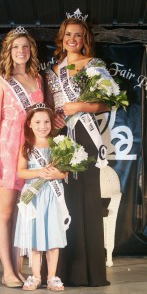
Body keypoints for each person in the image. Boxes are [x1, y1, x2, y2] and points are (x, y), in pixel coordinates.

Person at [44, 15, 111, 286]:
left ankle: (90, 272)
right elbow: (50, 108)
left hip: (86, 136)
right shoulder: (51, 71)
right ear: (62, 37)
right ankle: (62, 271)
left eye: (78, 35)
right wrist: (56, 118)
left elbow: (106, 103)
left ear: (85, 39)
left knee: (87, 199)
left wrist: (79, 107)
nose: (73, 39)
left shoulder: (94, 65)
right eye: (68, 34)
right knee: (63, 201)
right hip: (61, 138)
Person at [0, 26, 44, 287]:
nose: (21, 51)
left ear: (31, 51)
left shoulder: (38, 78)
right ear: (9, 50)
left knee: (23, 213)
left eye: (25, 47)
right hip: (5, 149)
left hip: (30, 150)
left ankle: (18, 269)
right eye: (16, 47)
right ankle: (7, 271)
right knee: (5, 212)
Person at [14, 103, 67, 291]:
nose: (42, 126)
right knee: (34, 238)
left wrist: (54, 174)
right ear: (29, 123)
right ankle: (36, 276)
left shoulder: (58, 144)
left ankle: (52, 277)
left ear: (52, 124)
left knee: (53, 236)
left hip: (53, 195)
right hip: (34, 196)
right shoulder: (26, 146)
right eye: (37, 122)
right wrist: (39, 172)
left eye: (46, 121)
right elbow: (21, 172)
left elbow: (64, 173)